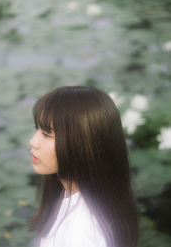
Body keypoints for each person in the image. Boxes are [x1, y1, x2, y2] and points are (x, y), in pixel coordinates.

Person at [28, 86, 139, 247]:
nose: (33, 142)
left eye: (46, 134)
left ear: (83, 143)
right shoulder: (82, 198)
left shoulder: (82, 231)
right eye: (37, 129)